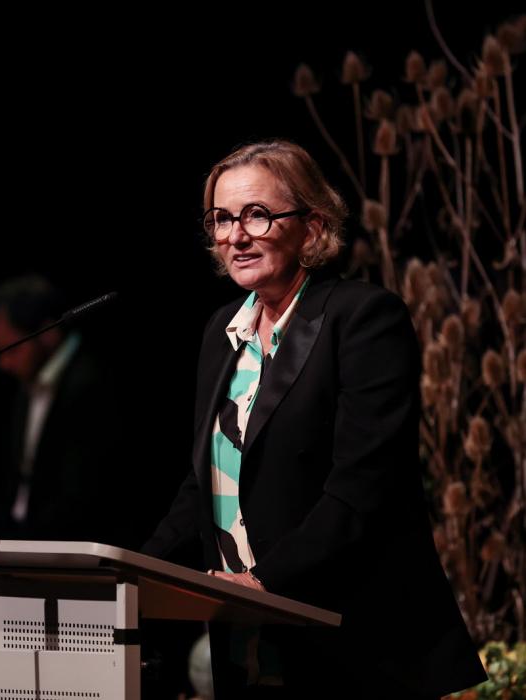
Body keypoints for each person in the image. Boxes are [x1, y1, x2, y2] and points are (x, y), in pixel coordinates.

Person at [141, 140, 487, 698]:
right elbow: (204, 482)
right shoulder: (220, 331)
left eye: (257, 215)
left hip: (348, 639)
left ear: (313, 225)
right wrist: (137, 573)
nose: (236, 236)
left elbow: (362, 489)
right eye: (222, 219)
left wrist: (260, 584)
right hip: (246, 635)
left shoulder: (362, 319)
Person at [0, 275, 124, 543]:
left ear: (47, 332)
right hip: (20, 539)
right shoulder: (28, 385)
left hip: (70, 546)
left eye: (12, 350)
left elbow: (83, 495)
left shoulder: (93, 382)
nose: (4, 364)